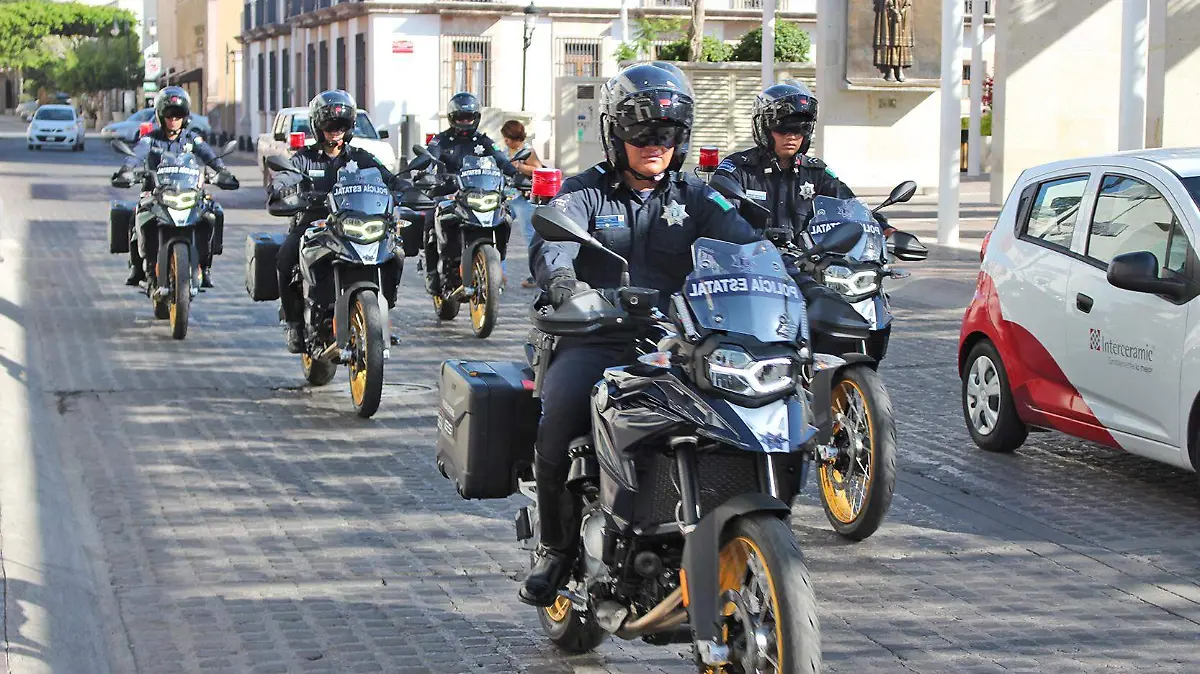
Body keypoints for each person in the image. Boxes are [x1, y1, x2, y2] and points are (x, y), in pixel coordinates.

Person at [519, 61, 763, 608]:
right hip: (596, 336)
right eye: (642, 132)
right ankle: (555, 548)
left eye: (667, 134)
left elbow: (746, 243)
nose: (655, 144)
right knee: (558, 420)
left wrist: (792, 269)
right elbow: (551, 242)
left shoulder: (696, 197)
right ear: (615, 133)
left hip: (684, 343)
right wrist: (562, 281)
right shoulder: (585, 193)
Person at [266, 89, 408, 354]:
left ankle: (380, 316)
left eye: (341, 125)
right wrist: (280, 186)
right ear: (318, 127)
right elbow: (286, 175)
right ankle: (295, 323)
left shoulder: (361, 157)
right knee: (285, 259)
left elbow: (387, 177)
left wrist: (403, 185)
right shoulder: (305, 158)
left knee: (396, 252)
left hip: (355, 224)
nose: (335, 131)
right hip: (314, 223)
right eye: (329, 125)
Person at [714, 80, 884, 242]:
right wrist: (757, 236)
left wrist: (884, 228)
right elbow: (720, 218)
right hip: (755, 263)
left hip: (807, 264)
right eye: (783, 128)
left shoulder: (816, 172)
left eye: (800, 128)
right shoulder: (738, 169)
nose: (791, 136)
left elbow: (850, 205)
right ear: (763, 127)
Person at [112, 86, 238, 287]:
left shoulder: (192, 138)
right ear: (161, 116)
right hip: (156, 193)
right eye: (169, 115)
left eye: (178, 116)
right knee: (136, 216)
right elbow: (137, 154)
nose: (173, 120)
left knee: (212, 215)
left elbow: (208, 155)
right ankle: (138, 267)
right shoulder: (150, 139)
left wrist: (223, 172)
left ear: (185, 117)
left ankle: (204, 267)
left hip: (188, 192)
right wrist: (126, 170)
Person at [422, 92, 518, 293]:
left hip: (479, 192)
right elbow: (429, 159)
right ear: (452, 118)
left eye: (469, 118)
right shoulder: (441, 141)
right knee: (431, 218)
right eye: (460, 118)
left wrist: (515, 174)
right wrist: (427, 173)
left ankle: (495, 260)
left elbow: (501, 160)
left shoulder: (482, 141)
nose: (465, 122)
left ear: (476, 118)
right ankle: (432, 272)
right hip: (449, 192)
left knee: (507, 213)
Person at [499, 119, 544, 288]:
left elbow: (537, 169)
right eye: (505, 138)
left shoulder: (527, 151)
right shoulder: (503, 151)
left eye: (508, 138)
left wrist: (518, 166)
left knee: (530, 236)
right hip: (505, 197)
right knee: (498, 232)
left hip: (522, 198)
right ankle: (498, 273)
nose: (506, 141)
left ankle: (536, 274)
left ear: (515, 137)